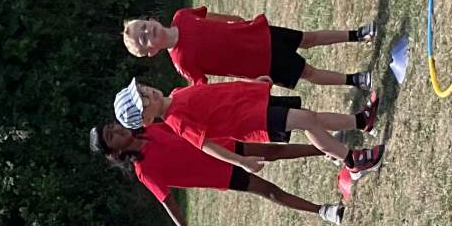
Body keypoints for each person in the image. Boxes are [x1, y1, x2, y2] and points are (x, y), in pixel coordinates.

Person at [89, 111, 347, 226]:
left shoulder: (149, 129)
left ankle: (328, 149)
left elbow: (182, 128)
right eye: (111, 136)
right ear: (115, 153)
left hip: (223, 147)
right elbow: (167, 202)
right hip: (221, 174)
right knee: (270, 191)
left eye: (112, 127)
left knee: (273, 151)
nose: (117, 130)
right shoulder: (144, 170)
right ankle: (323, 211)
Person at [114, 78, 383, 191]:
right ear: (146, 120)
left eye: (142, 90)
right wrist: (241, 161)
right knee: (307, 121)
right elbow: (206, 145)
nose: (148, 94)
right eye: (142, 101)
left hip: (254, 102)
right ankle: (352, 161)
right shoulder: (176, 120)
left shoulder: (177, 93)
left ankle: (361, 121)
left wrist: (252, 85)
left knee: (311, 117)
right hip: (253, 121)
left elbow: (220, 92)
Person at [124, 7, 375, 91]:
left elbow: (212, 16)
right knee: (308, 72)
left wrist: (238, 21)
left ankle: (358, 34)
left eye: (143, 27)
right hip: (260, 64)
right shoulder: (182, 62)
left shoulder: (182, 16)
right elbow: (204, 88)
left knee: (308, 38)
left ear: (150, 20)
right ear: (151, 52)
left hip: (258, 34)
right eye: (143, 40)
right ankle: (355, 80)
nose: (147, 32)